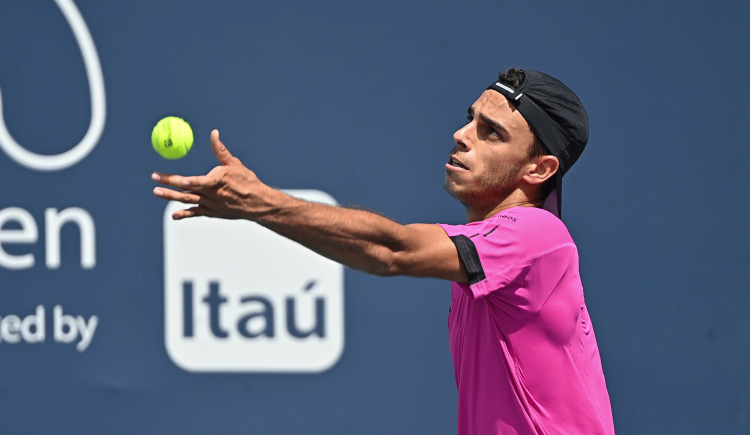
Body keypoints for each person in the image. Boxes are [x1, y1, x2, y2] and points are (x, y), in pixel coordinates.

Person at [152, 68, 615, 435]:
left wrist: (260, 203)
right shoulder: (495, 252)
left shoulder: (536, 235)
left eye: (490, 132)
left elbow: (391, 251)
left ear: (539, 168)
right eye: (470, 117)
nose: (461, 134)